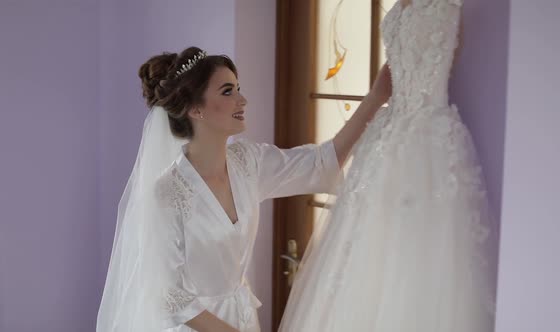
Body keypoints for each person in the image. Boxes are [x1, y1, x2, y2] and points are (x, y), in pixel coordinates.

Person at [96, 46, 392, 332]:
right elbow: (171, 297)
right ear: (195, 109)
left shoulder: (248, 163)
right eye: (228, 92)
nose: (243, 100)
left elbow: (320, 163)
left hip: (242, 319)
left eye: (238, 88)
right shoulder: (167, 194)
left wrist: (376, 97)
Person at [279, 0, 496, 331]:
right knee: (369, 252)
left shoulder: (447, 7)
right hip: (391, 136)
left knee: (418, 253)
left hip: (424, 138)